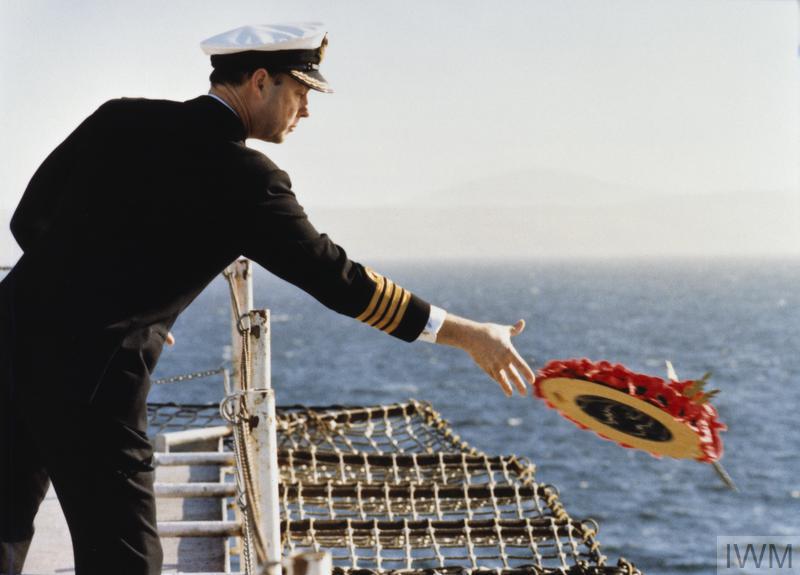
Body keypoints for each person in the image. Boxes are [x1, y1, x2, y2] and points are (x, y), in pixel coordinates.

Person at [0, 23, 535, 575]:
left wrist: (107, 300)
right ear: (260, 82)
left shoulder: (119, 117)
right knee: (124, 557)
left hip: (10, 331)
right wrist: (468, 333)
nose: (305, 110)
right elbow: (341, 281)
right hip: (92, 380)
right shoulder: (248, 181)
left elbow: (28, 220)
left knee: (5, 523)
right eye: (301, 92)